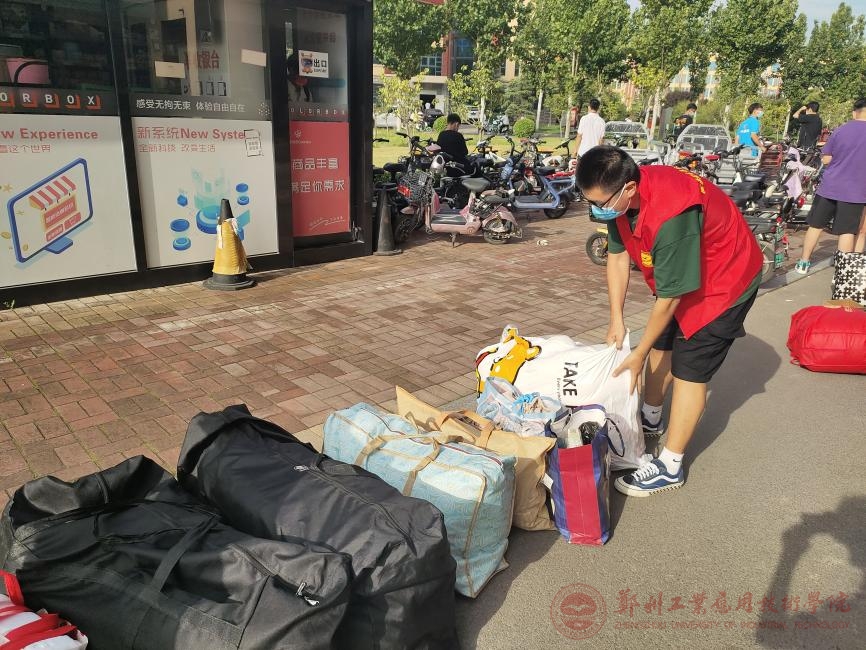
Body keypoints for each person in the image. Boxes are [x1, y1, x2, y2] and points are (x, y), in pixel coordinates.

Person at [576, 146, 763, 497]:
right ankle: (650, 417)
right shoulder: (619, 200)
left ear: (629, 188)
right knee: (662, 340)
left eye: (600, 203)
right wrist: (616, 319)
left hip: (725, 280)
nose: (597, 209)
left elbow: (671, 298)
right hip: (685, 269)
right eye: (590, 202)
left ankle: (671, 465)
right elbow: (617, 257)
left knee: (690, 369)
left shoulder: (671, 214)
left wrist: (638, 353)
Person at [795, 98, 866, 274]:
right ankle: (843, 272)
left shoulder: (841, 130)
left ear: (854, 112)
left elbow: (826, 159)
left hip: (830, 186)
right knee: (847, 231)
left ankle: (803, 262)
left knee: (816, 225)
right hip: (856, 191)